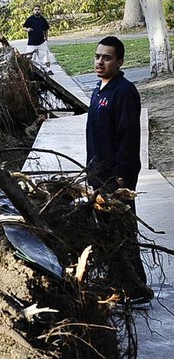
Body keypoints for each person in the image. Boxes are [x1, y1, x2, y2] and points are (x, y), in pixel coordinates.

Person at [85, 35, 151, 301]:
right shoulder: (98, 90)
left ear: (119, 62)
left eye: (107, 57)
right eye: (98, 56)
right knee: (107, 232)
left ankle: (136, 290)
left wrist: (123, 178)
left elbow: (128, 137)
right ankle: (116, 284)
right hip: (97, 174)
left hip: (116, 178)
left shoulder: (124, 92)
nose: (100, 62)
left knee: (122, 233)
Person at [23, 5, 52, 74]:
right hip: (32, 43)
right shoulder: (30, 19)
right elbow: (24, 27)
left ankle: (47, 69)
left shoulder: (43, 20)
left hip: (41, 42)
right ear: (33, 11)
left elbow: (46, 29)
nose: (37, 11)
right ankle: (31, 71)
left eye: (38, 9)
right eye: (35, 9)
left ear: (40, 10)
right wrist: (27, 29)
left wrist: (46, 38)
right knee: (30, 58)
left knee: (44, 56)